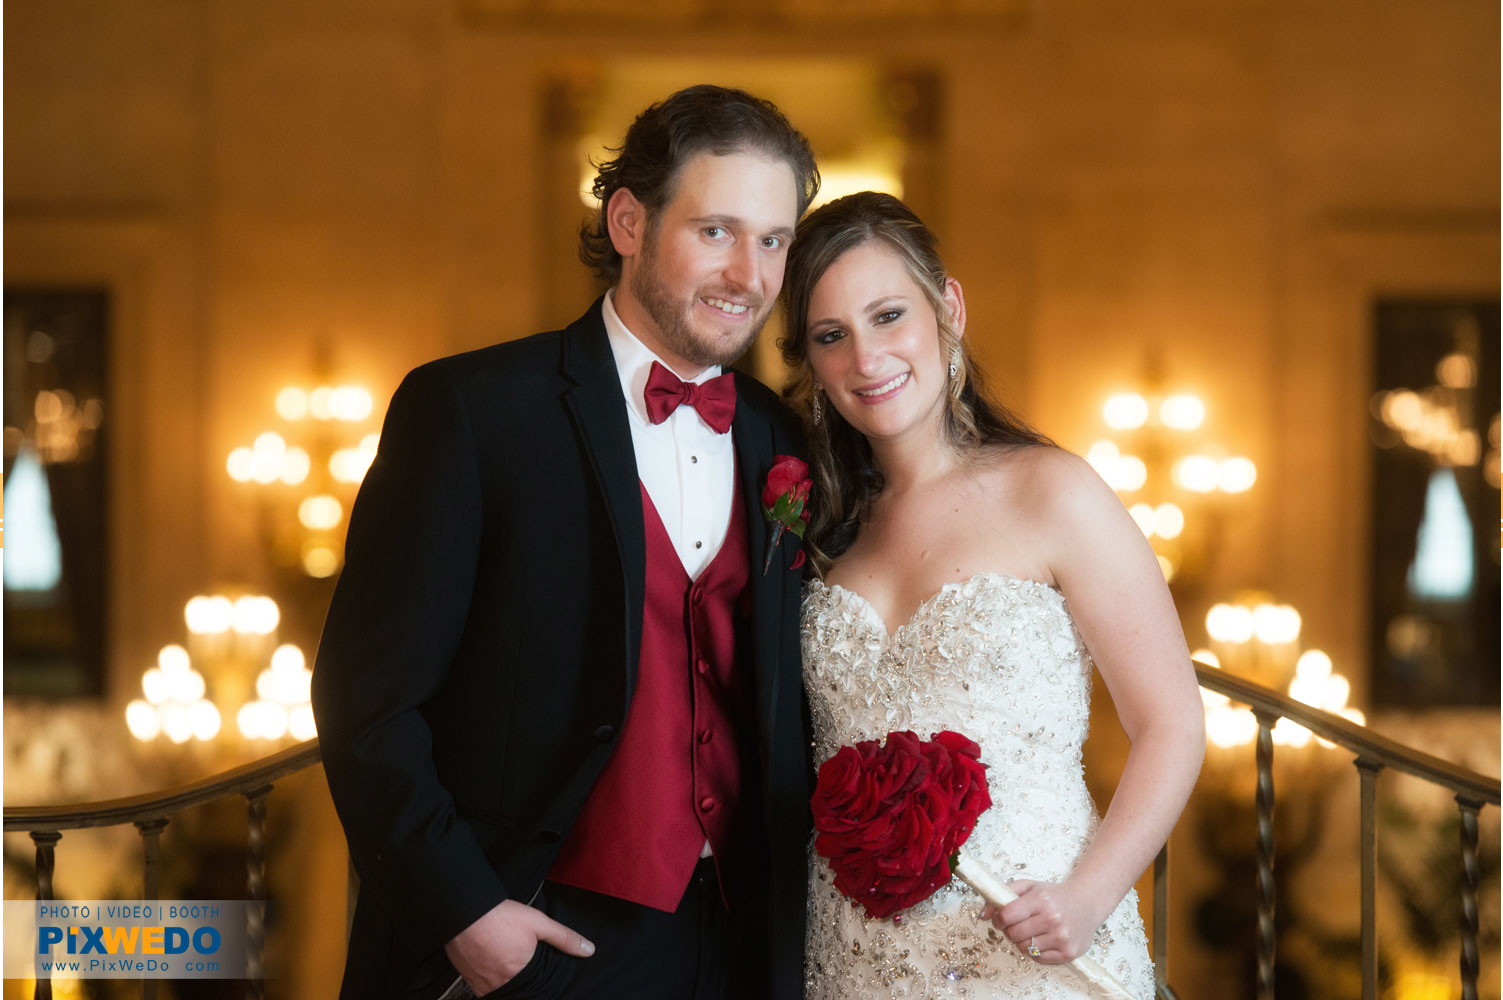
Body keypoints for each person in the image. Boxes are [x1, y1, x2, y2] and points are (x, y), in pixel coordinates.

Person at [311, 84, 818, 1000]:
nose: (749, 274)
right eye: (716, 232)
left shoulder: (784, 438)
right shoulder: (471, 411)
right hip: (537, 936)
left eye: (773, 240)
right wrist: (467, 915)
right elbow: (365, 699)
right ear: (628, 221)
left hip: (745, 943)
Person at [780, 192, 1204, 999]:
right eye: (831, 336)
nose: (865, 360)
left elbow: (1172, 722)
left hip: (1036, 950)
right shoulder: (822, 530)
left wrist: (1090, 895)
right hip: (852, 959)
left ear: (949, 308)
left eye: (888, 315)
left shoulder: (1052, 492)